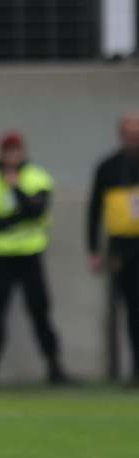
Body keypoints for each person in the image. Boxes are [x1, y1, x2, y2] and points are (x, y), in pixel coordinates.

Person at [0, 131, 68, 388]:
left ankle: (55, 367)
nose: (12, 156)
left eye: (16, 150)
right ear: (0, 153)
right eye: (7, 151)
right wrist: (21, 215)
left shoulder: (37, 178)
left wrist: (16, 190)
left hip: (30, 255)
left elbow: (37, 211)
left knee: (40, 311)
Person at [87, 112, 139, 385]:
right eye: (129, 131)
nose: (133, 136)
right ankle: (134, 370)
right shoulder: (108, 167)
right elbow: (94, 210)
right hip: (123, 248)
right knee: (131, 309)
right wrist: (93, 249)